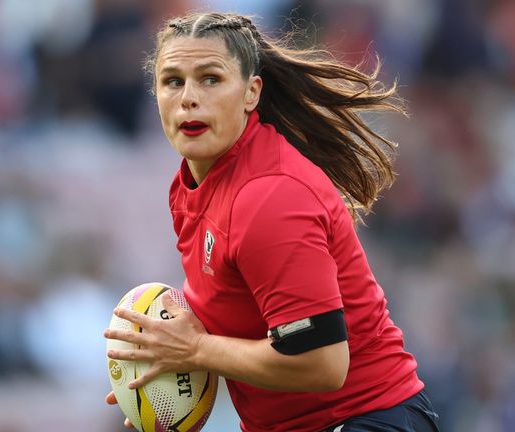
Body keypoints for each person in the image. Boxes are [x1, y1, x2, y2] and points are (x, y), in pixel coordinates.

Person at [103, 11, 440, 432]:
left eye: (210, 79)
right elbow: (240, 310)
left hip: (363, 420)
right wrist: (160, 371)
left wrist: (194, 350)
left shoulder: (268, 197)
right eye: (173, 81)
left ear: (251, 92)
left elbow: (322, 363)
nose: (189, 97)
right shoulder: (189, 186)